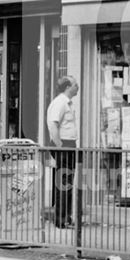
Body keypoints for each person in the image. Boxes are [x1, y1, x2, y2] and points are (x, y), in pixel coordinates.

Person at [46, 75, 79, 228]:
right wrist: (59, 145)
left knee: (67, 183)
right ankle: (61, 219)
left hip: (69, 144)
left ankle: (66, 217)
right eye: (75, 85)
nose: (77, 87)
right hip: (64, 144)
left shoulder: (67, 103)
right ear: (67, 87)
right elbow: (53, 125)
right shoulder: (60, 103)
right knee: (64, 183)